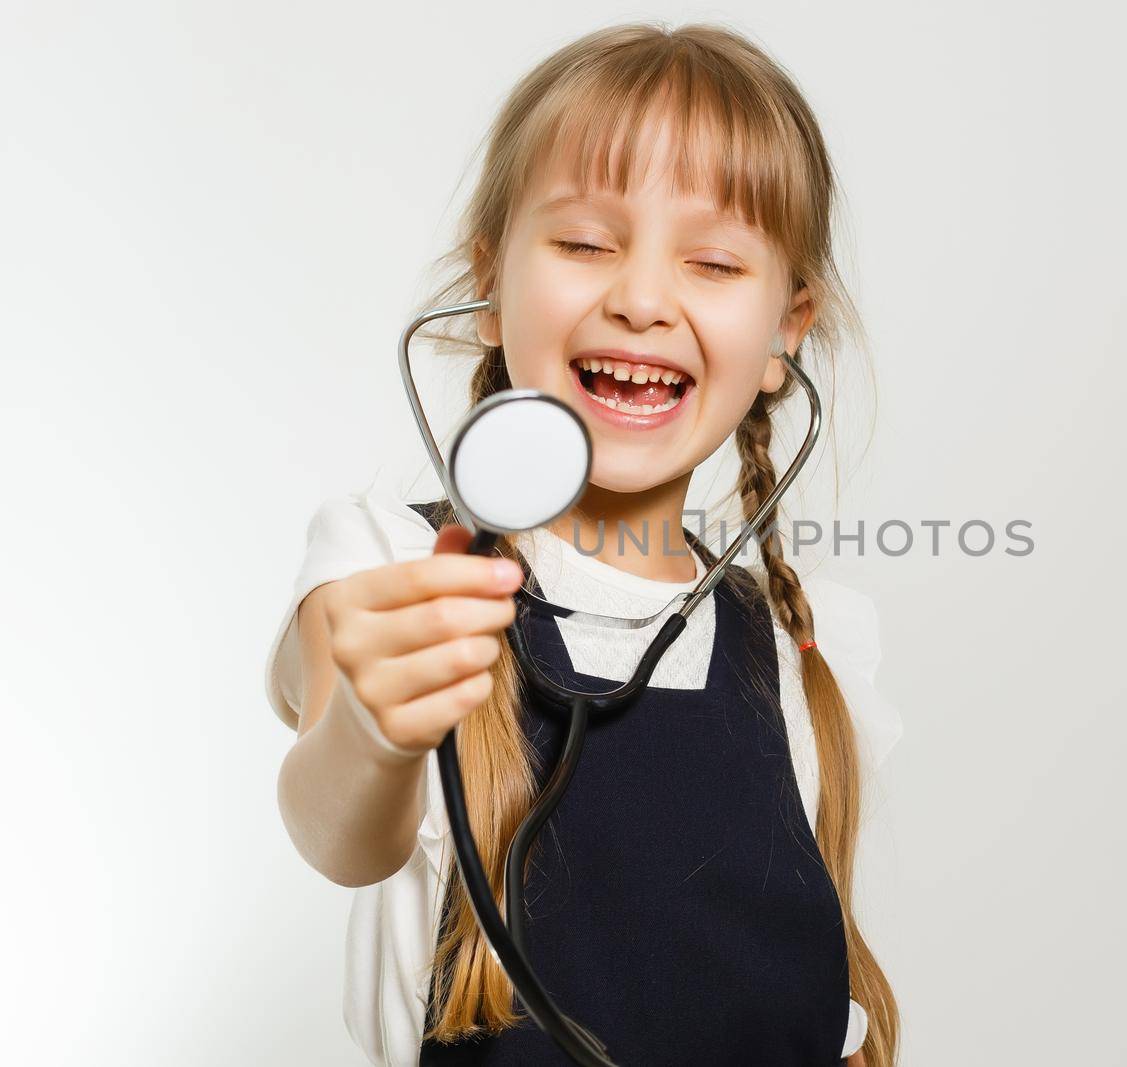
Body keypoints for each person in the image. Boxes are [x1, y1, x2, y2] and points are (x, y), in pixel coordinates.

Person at [264, 21, 904, 1067]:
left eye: (711, 260)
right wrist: (373, 737)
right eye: (584, 244)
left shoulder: (806, 640)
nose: (642, 299)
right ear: (491, 281)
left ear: (788, 329)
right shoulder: (387, 563)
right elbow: (339, 831)